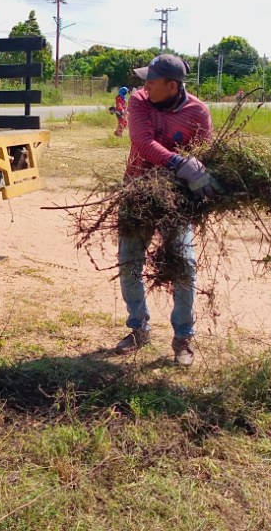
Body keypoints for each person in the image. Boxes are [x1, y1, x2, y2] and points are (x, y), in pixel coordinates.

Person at [113, 53, 218, 367]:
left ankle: (183, 337)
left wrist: (198, 171)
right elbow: (143, 142)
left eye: (152, 80)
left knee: (184, 265)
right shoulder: (140, 101)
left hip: (175, 199)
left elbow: (203, 155)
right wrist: (179, 162)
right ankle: (138, 328)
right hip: (137, 192)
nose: (144, 84)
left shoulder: (197, 112)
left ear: (172, 86)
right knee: (130, 261)